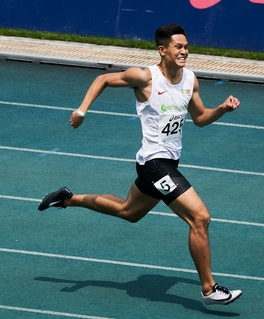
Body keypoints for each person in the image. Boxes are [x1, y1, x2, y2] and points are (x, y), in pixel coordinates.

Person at [38, 23, 242, 306]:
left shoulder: (190, 80)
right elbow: (103, 80)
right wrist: (81, 111)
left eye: (186, 47)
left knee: (128, 211)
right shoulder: (145, 77)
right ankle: (209, 289)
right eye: (178, 47)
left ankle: (68, 199)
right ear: (162, 50)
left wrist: (222, 109)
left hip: (167, 163)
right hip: (154, 164)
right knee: (200, 218)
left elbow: (200, 118)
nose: (184, 51)